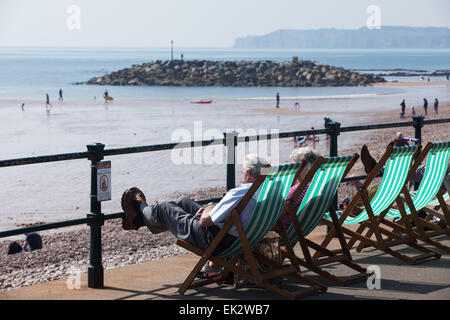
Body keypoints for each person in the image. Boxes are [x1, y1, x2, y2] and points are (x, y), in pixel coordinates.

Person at [120, 154, 270, 258]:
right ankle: (137, 220)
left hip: (214, 241)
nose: (241, 174)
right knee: (182, 202)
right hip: (239, 239)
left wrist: (211, 207)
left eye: (242, 171)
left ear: (249, 173)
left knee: (165, 206)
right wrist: (213, 208)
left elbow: (205, 221)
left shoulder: (241, 193)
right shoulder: (266, 192)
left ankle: (141, 208)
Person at [283, 147, 320, 229]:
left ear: (309, 166)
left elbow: (279, 209)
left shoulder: (301, 189)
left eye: (297, 167)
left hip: (285, 227)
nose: (295, 171)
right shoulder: (320, 185)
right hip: (306, 227)